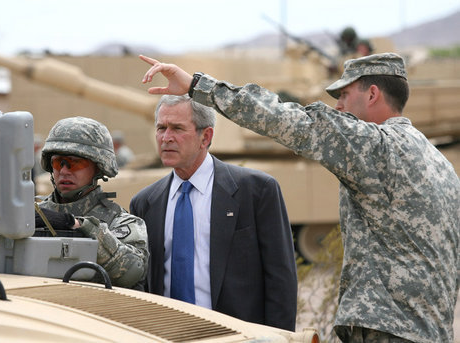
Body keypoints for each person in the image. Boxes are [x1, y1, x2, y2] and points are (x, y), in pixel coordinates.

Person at [138, 53, 460, 342]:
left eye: (345, 95)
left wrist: (198, 85)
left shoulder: (375, 147)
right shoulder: (439, 164)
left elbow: (288, 121)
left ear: (372, 94)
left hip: (388, 332)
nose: (339, 107)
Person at [129, 94, 297, 331]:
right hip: (166, 334)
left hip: (236, 335)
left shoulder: (256, 191)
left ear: (205, 136)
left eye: (177, 128)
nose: (166, 138)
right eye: (161, 128)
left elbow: (281, 280)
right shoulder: (145, 203)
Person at [36, 116, 149, 289]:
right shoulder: (33, 215)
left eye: (75, 163)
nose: (64, 171)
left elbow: (132, 271)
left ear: (98, 167)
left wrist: (78, 225)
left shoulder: (120, 221)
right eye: (58, 163)